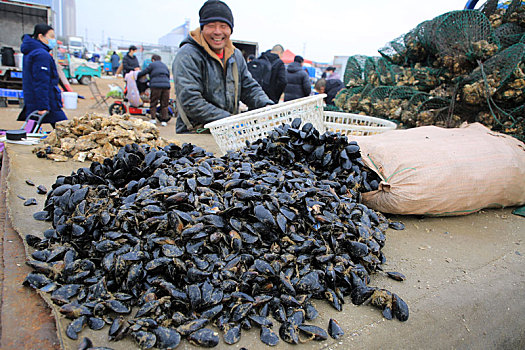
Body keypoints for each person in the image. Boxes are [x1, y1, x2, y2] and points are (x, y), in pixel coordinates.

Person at [173, 0, 273, 133]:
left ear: (230, 29)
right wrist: (231, 120)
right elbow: (190, 100)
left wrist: (266, 105)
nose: (217, 32)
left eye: (223, 26)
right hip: (196, 133)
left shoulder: (235, 55)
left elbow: (248, 87)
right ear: (202, 28)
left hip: (227, 132)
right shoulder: (188, 55)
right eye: (211, 26)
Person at [20, 23, 67, 126]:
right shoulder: (41, 55)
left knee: (31, 128)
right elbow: (41, 81)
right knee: (65, 129)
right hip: (47, 100)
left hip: (34, 99)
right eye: (51, 36)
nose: (53, 40)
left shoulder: (31, 52)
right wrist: (43, 106)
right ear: (41, 36)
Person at [138, 54, 171, 126]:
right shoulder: (164, 66)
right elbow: (168, 75)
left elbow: (144, 72)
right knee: (164, 104)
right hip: (166, 86)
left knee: (153, 102)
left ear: (153, 60)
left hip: (156, 86)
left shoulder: (152, 65)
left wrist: (136, 75)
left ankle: (153, 119)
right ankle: (163, 121)